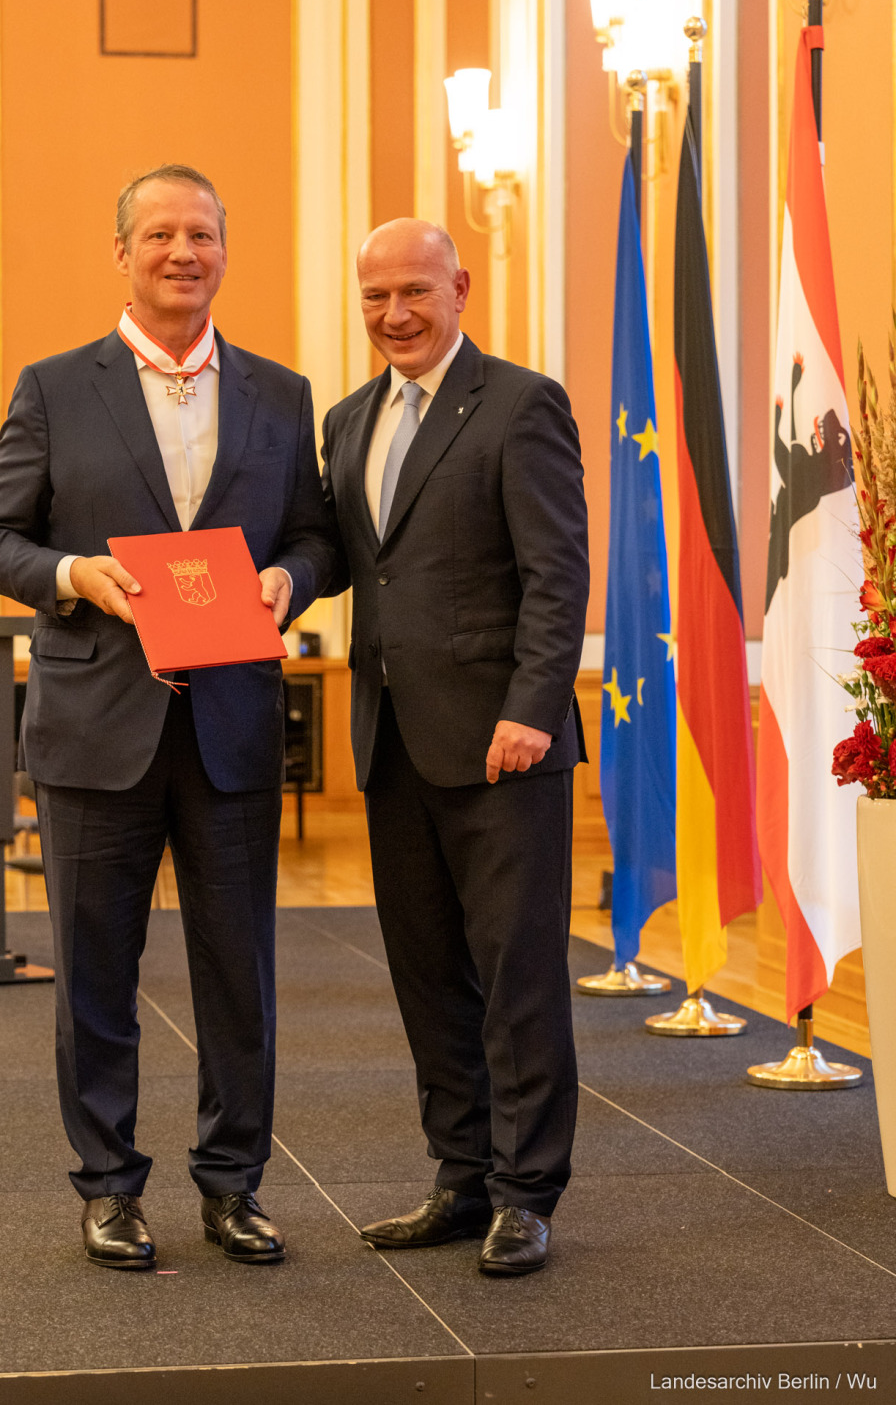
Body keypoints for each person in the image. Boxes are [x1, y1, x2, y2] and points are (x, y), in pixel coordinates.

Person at [0, 164, 334, 1270]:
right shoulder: (53, 386)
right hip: (94, 732)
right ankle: (109, 1185)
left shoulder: (281, 394)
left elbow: (318, 538)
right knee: (93, 975)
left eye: (204, 234)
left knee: (240, 973)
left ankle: (233, 1184)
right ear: (120, 252)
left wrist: (290, 582)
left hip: (229, 728)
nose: (184, 252)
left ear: (226, 251)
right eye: (161, 234)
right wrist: (76, 572)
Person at [320, 218, 589, 1277]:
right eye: (376, 297)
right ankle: (460, 1175)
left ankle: (527, 1193)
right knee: (428, 974)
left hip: (500, 745)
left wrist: (532, 705)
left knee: (515, 973)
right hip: (391, 741)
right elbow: (346, 562)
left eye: (414, 293)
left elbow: (556, 571)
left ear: (460, 287)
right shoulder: (347, 422)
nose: (395, 315)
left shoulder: (521, 404)